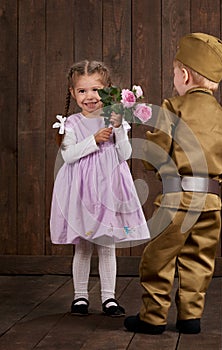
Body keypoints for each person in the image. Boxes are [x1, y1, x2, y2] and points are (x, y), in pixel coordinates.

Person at [124, 33, 222, 334]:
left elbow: (156, 150)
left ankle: (153, 317)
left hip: (178, 200)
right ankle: (190, 317)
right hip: (211, 203)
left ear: (185, 74)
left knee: (159, 257)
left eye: (175, 73)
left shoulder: (173, 107)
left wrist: (155, 167)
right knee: (198, 258)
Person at [50, 60, 150, 317]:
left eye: (96, 90)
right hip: (83, 193)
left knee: (106, 245)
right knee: (83, 245)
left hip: (109, 190)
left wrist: (119, 130)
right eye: (82, 91)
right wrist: (93, 140)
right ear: (73, 93)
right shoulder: (71, 123)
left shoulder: (114, 119)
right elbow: (69, 155)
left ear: (108, 91)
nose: (89, 96)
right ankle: (80, 297)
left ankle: (109, 299)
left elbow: (125, 154)